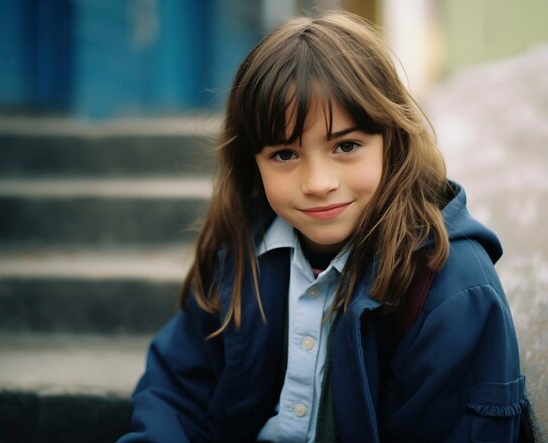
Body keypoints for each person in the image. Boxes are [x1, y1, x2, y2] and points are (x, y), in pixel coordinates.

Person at [117, 12, 526, 443]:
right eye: (284, 155)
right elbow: (174, 390)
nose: (318, 183)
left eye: (346, 146)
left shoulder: (453, 293)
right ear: (252, 164)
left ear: (394, 141)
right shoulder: (242, 253)